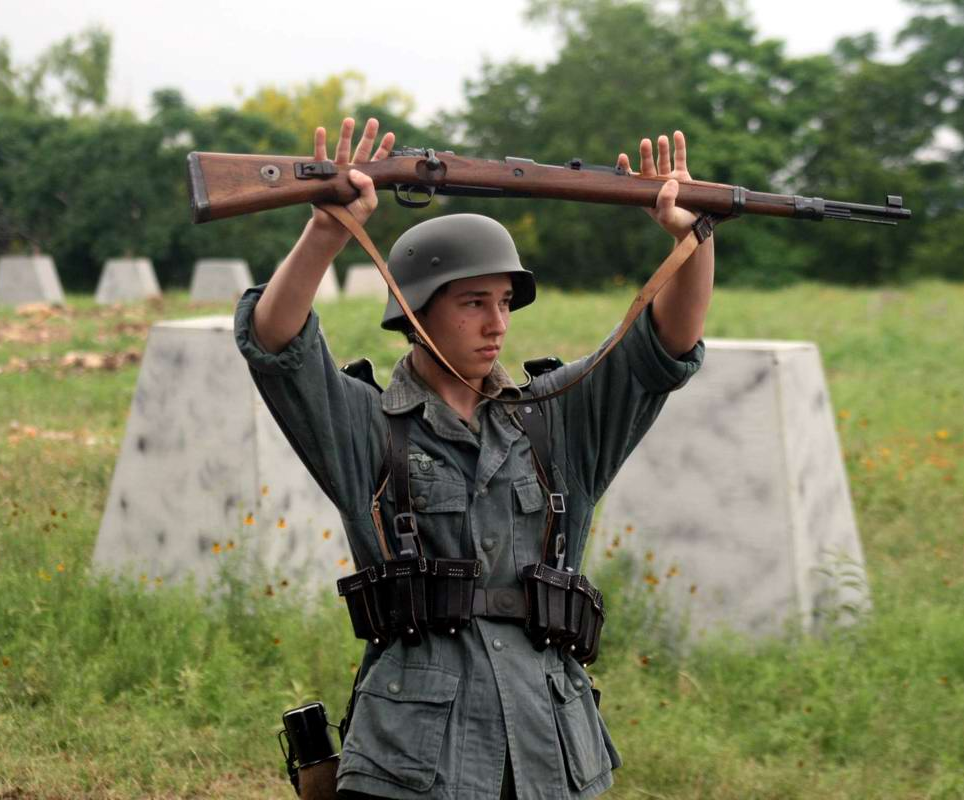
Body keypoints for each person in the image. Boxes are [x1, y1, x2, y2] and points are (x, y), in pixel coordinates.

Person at [234, 117, 720, 799]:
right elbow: (277, 348)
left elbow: (663, 349)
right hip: (413, 763)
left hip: (551, 748)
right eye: (472, 304)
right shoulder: (368, 426)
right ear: (414, 311)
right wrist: (327, 232)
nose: (497, 323)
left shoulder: (558, 418)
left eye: (503, 303)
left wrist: (694, 240)